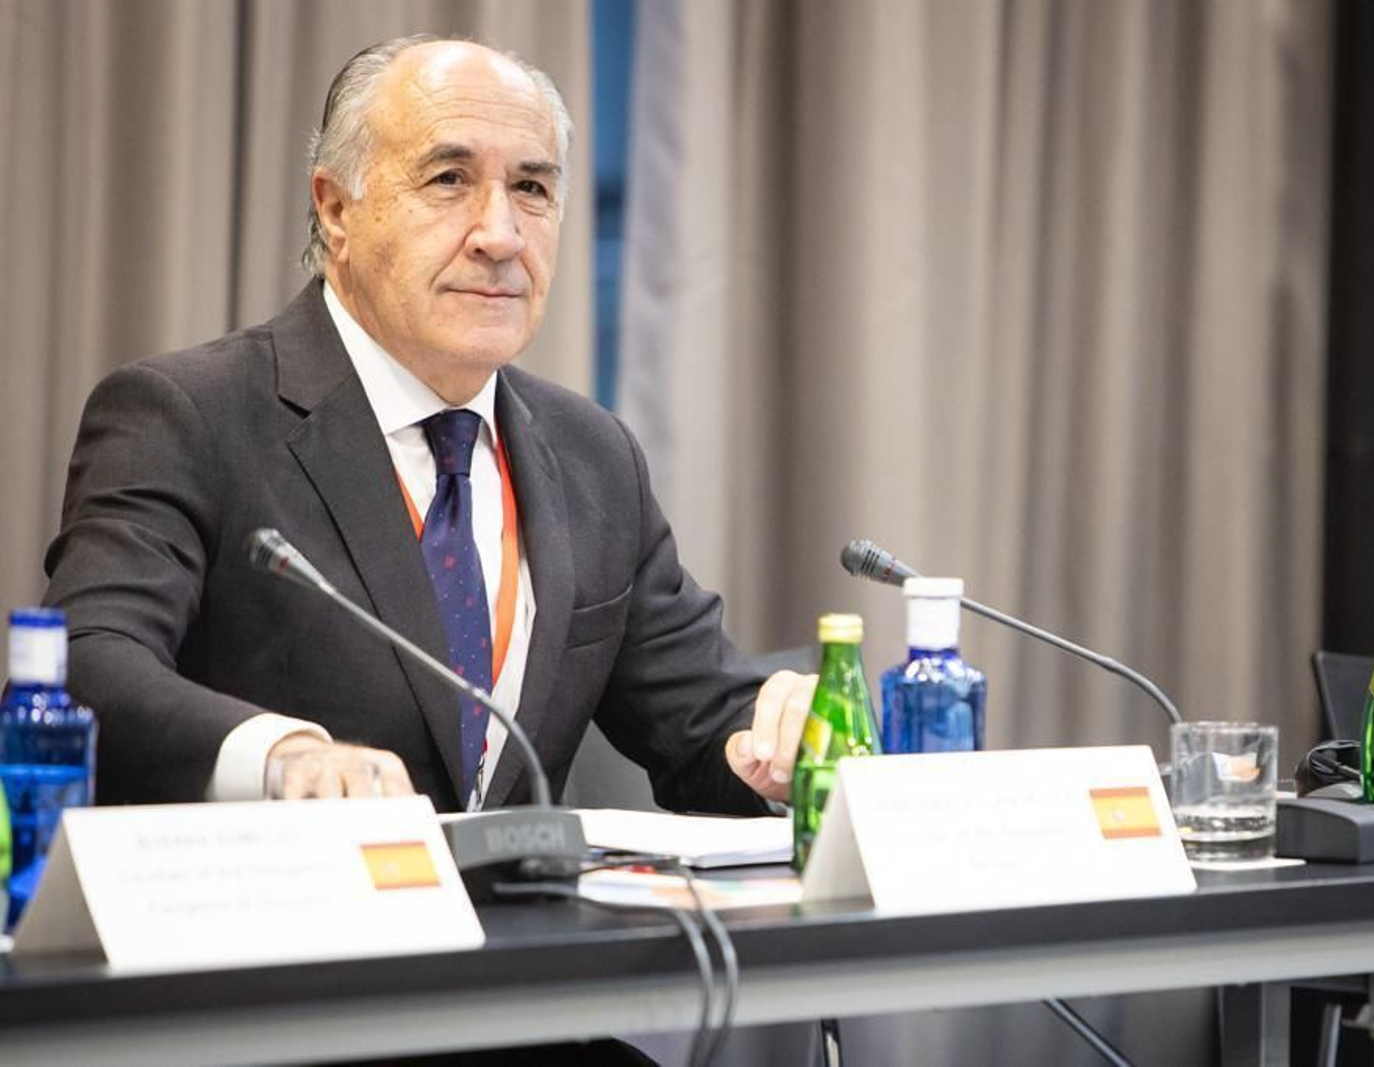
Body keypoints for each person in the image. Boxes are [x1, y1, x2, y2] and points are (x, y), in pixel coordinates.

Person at [43, 35, 814, 814]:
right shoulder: (188, 416)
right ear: (336, 209)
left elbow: (701, 724)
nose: (501, 236)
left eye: (533, 189)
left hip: (526, 934)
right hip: (282, 919)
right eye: (449, 180)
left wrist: (783, 736)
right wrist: (282, 754)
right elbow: (84, 663)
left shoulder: (592, 455)